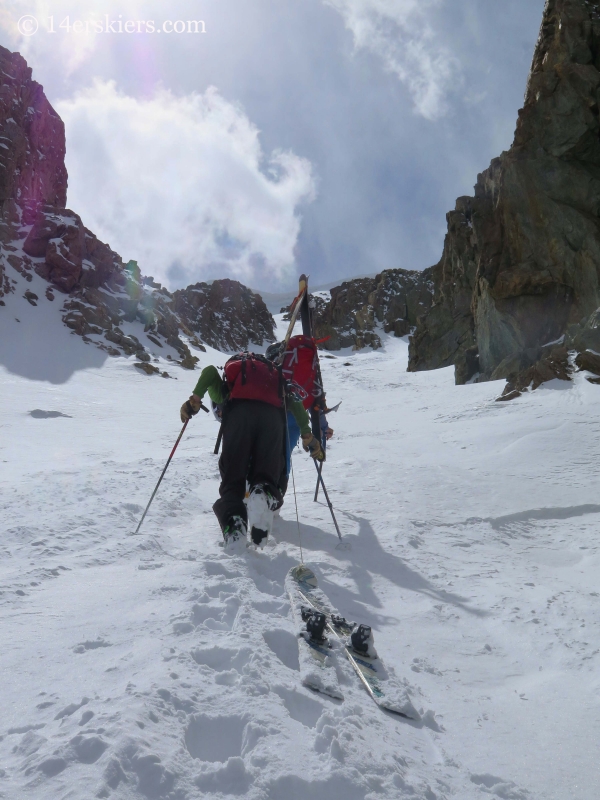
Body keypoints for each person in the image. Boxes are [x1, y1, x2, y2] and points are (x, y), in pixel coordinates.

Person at [180, 354, 323, 551]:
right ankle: (261, 495)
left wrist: (194, 400)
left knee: (232, 481)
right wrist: (307, 435)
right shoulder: (273, 380)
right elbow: (294, 400)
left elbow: (210, 372)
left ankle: (235, 528)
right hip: (273, 420)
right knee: (266, 477)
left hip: (240, 417)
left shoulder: (232, 383)